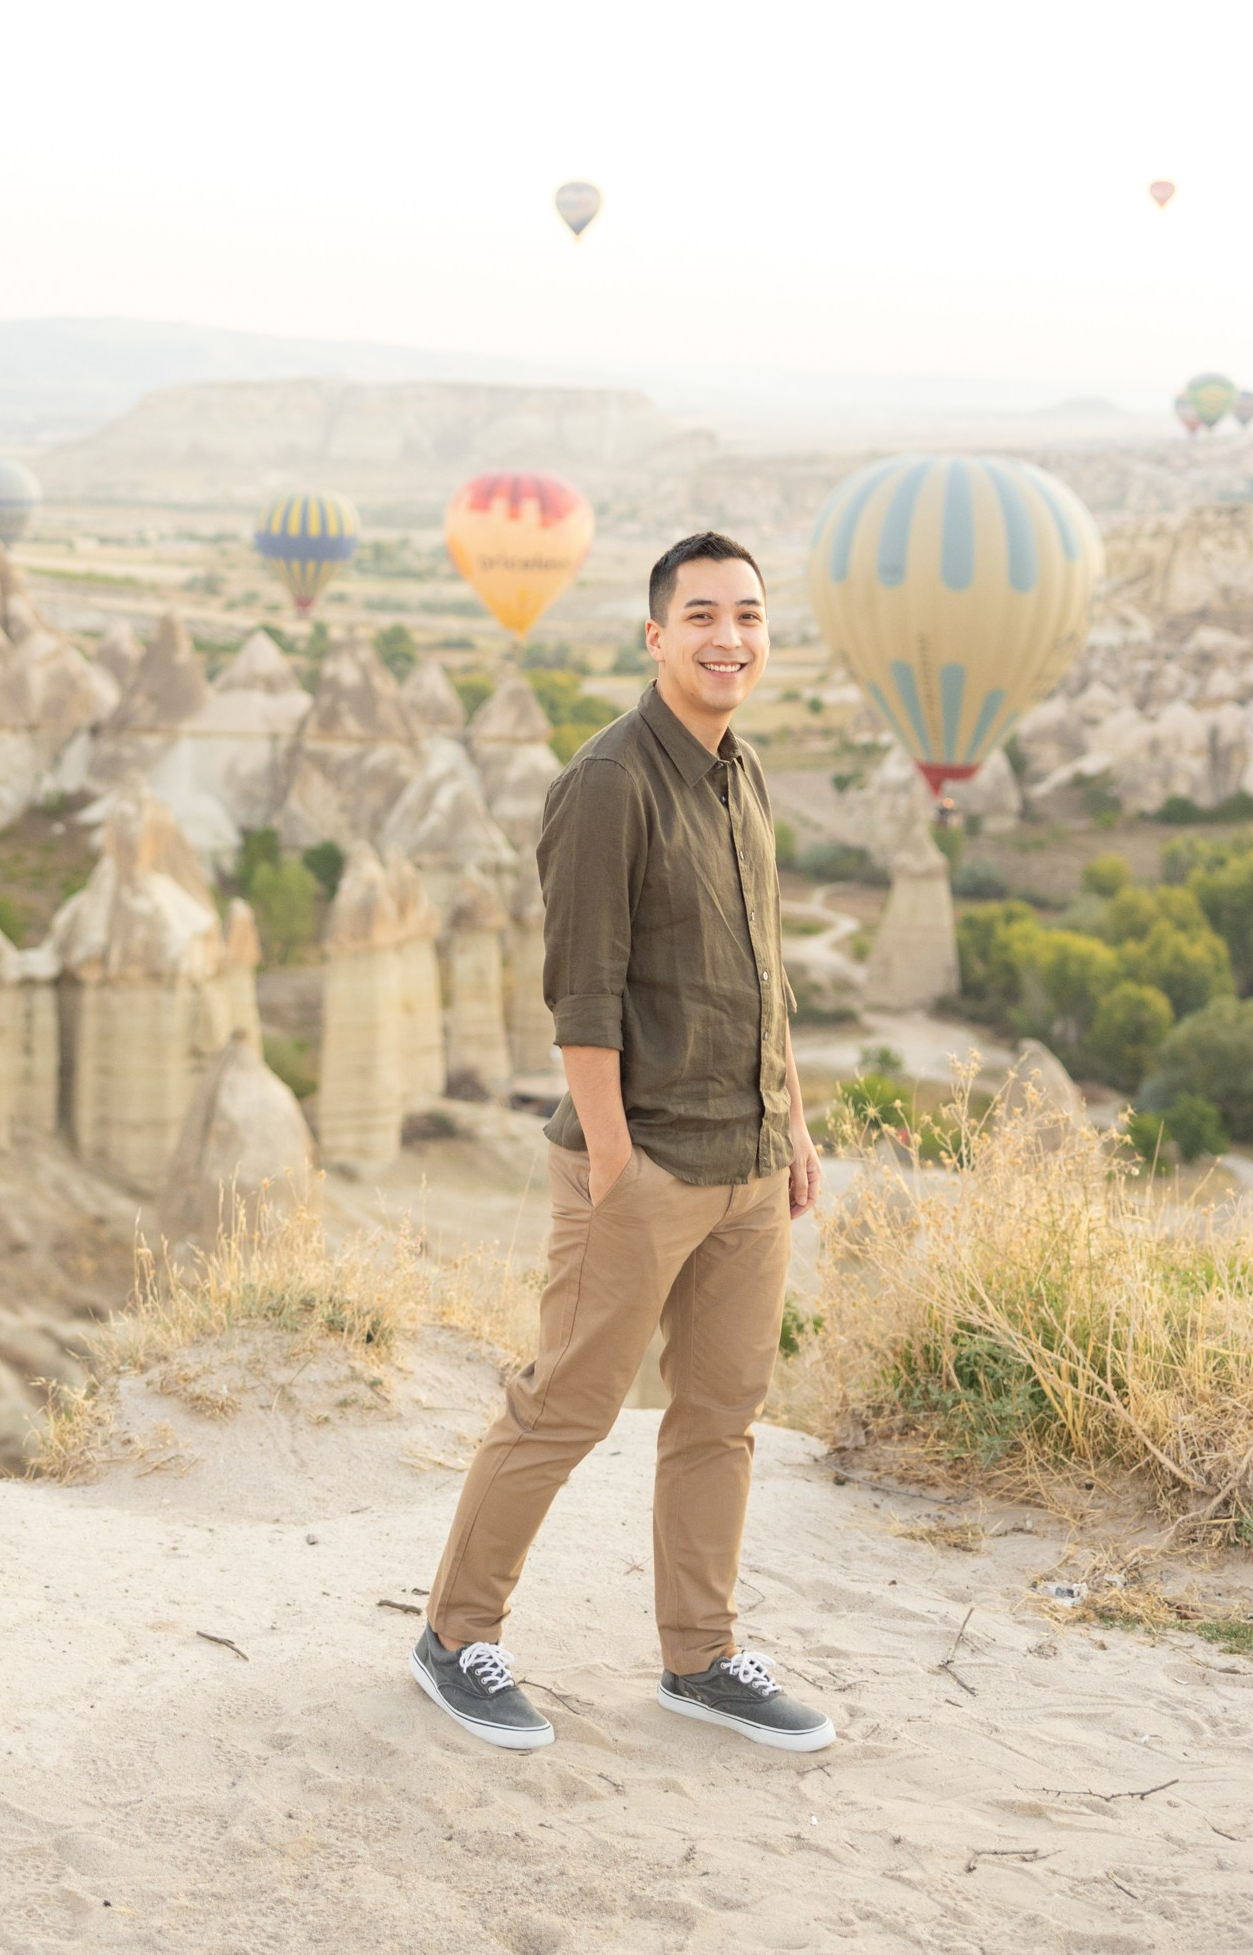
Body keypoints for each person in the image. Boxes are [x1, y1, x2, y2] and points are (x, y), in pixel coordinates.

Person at [410, 530, 832, 1755]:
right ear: (655, 636)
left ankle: (699, 1658)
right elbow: (580, 996)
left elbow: (764, 975)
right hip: (641, 1160)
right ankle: (453, 1637)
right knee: (564, 1406)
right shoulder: (607, 782)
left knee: (719, 1415)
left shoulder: (739, 772)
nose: (727, 638)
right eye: (700, 616)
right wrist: (611, 1163)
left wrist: (793, 1130)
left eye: (746, 616)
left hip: (748, 1162)